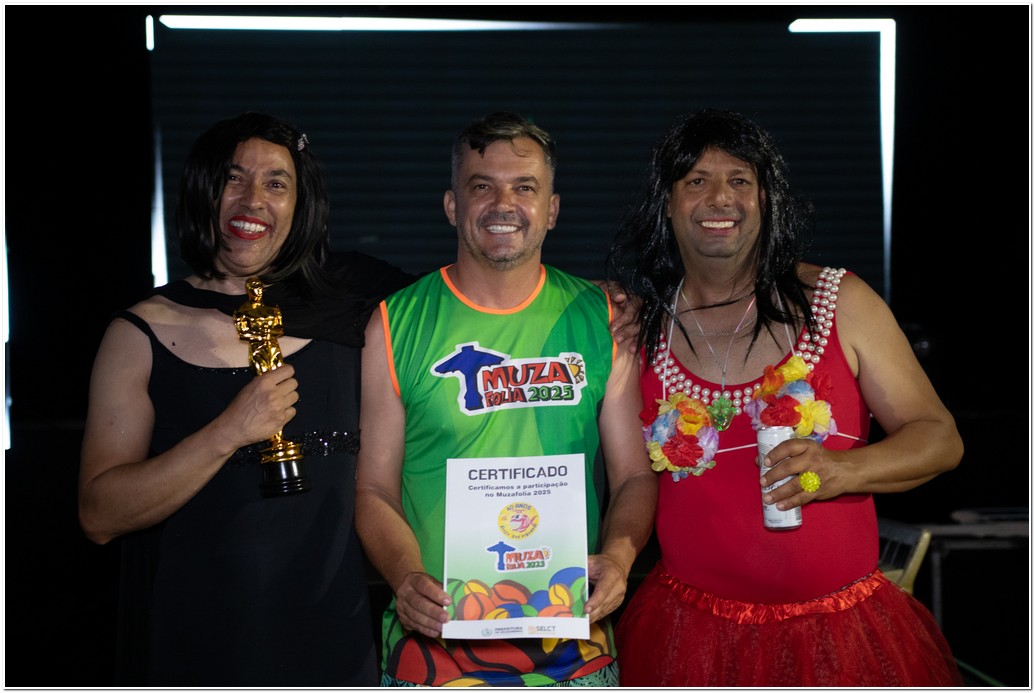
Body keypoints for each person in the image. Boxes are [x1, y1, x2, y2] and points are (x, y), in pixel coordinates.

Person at [605, 109, 965, 687]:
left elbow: (940, 438)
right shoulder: (637, 327)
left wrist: (842, 470)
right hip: (687, 640)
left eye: (739, 180)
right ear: (667, 203)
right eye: (696, 181)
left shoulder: (838, 300)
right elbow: (630, 479)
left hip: (841, 640)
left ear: (766, 199)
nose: (719, 198)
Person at [77, 112, 417, 686]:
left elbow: (477, 310)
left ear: (300, 204)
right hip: (199, 649)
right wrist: (229, 431)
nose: (253, 199)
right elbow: (99, 515)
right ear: (203, 191)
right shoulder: (140, 333)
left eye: (276, 183)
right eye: (233, 178)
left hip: (335, 641)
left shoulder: (359, 305)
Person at [355, 111, 658, 687]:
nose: (503, 204)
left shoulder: (602, 318)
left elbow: (634, 477)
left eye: (525, 187)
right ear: (452, 206)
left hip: (573, 644)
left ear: (552, 208)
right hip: (435, 648)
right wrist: (404, 576)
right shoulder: (394, 323)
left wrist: (620, 560)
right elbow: (373, 488)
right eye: (482, 186)